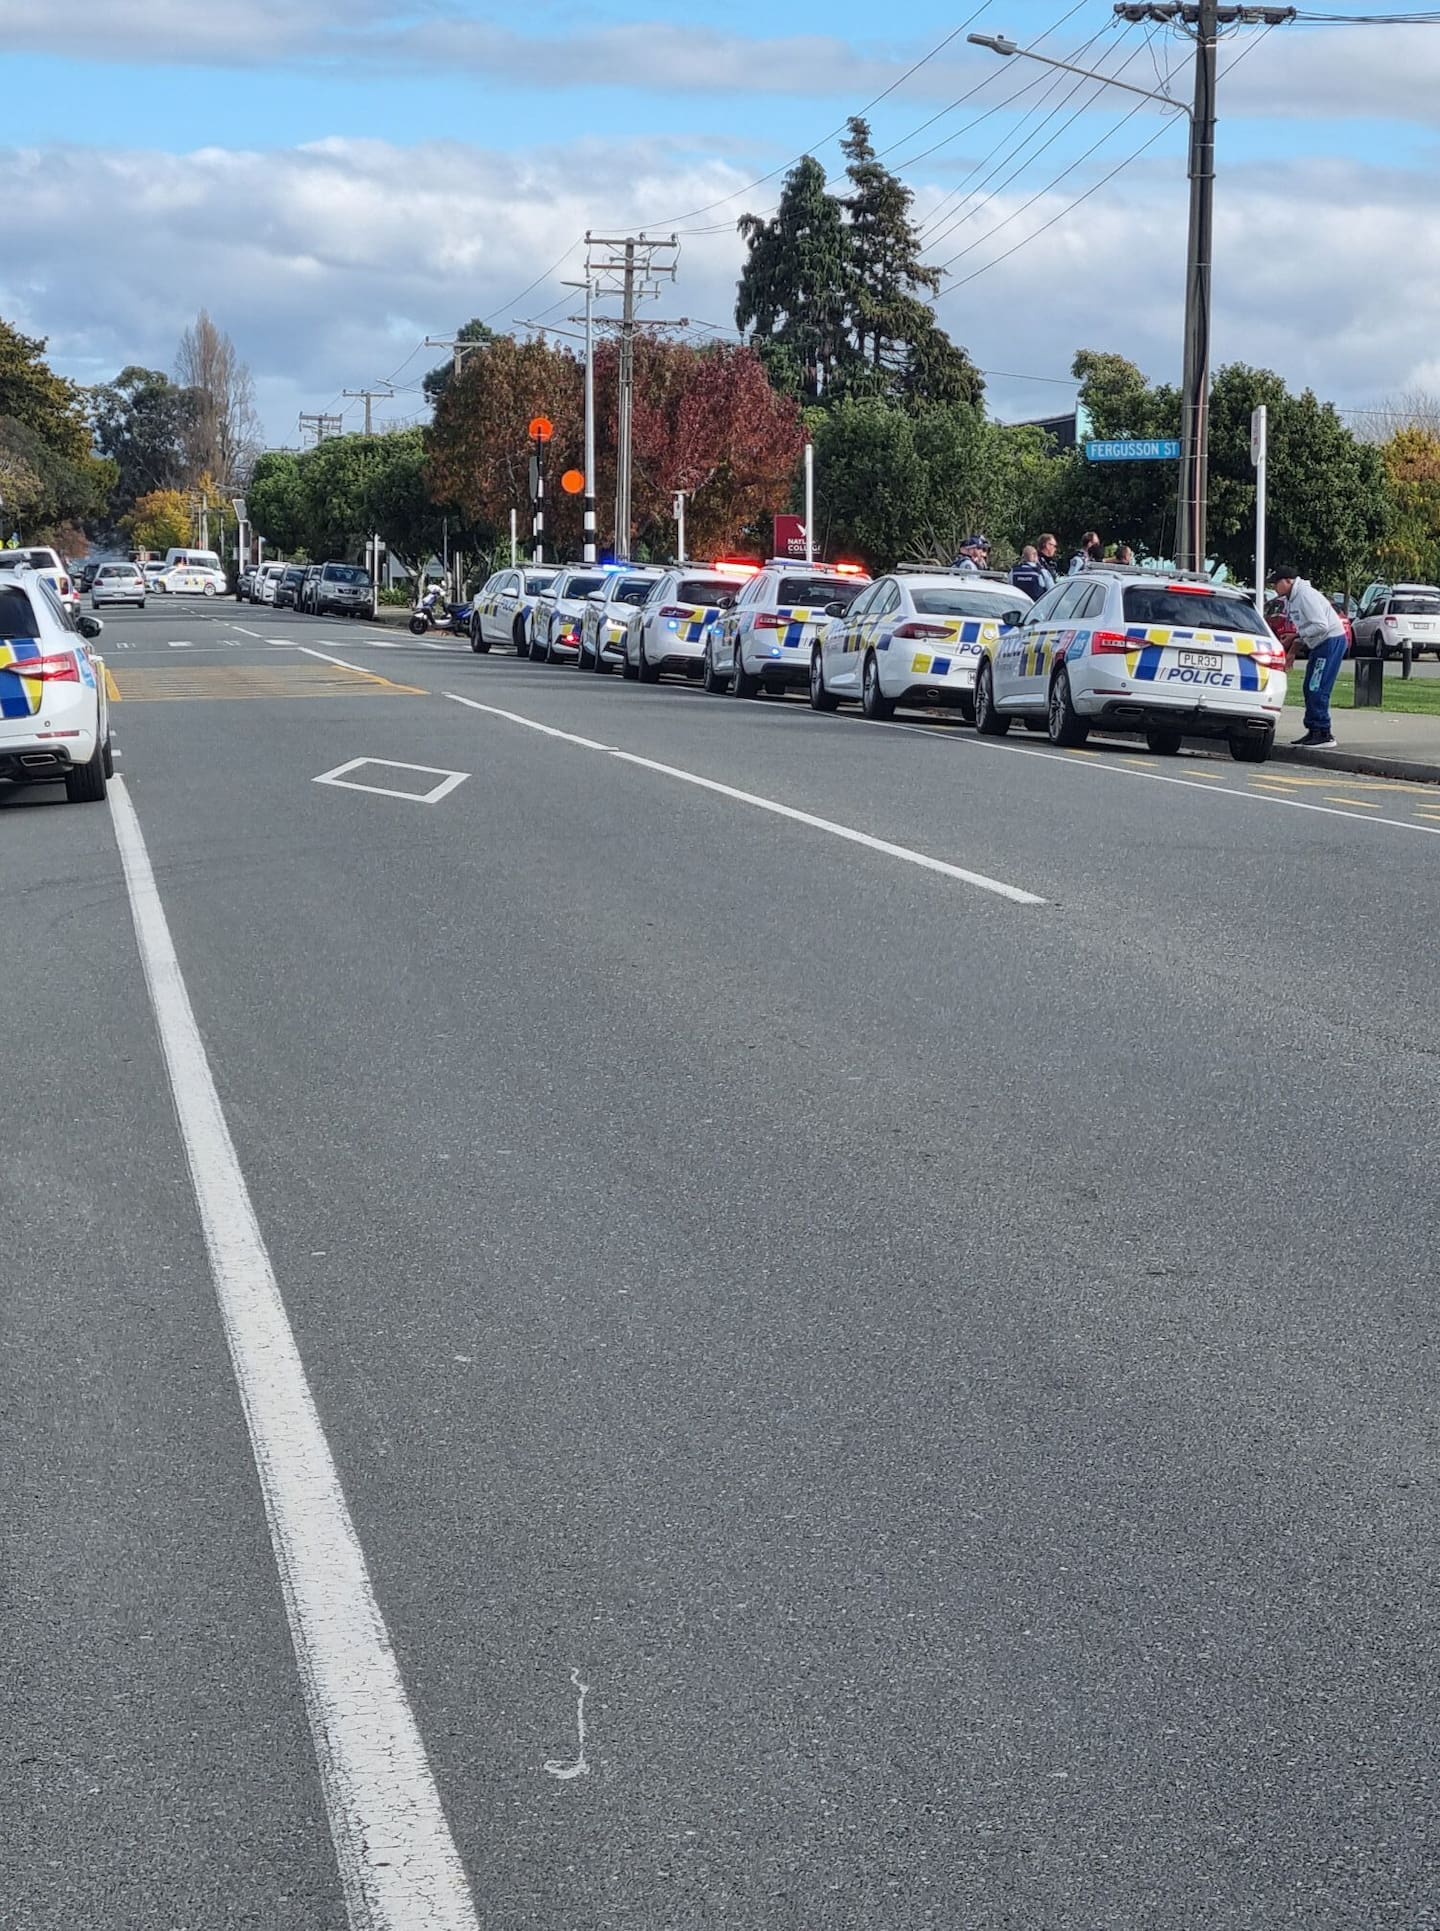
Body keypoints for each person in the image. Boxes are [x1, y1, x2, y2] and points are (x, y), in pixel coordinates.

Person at [1271, 564, 1345, 748]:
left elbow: (1321, 625)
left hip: (1329, 642)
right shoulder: (1292, 598)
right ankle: (1313, 729)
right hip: (1320, 644)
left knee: (1316, 687)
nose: (1274, 588)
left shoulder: (1305, 595)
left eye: (1276, 583)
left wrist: (1297, 637)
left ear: (1288, 581)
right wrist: (1295, 642)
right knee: (1309, 686)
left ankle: (1323, 732)